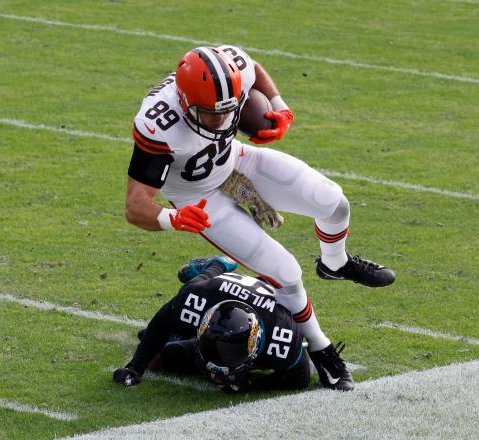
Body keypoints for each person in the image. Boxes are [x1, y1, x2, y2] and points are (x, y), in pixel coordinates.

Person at [125, 45, 395, 391]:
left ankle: (336, 264)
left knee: (333, 202)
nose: (221, 119)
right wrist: (172, 219)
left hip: (234, 161)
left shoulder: (232, 69)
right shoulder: (159, 124)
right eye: (210, 113)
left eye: (228, 109)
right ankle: (321, 347)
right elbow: (135, 206)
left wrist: (280, 107)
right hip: (197, 196)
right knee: (285, 273)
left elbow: (252, 65)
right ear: (185, 101)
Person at [113, 256, 351, 392]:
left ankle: (184, 335)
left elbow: (298, 379)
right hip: (216, 288)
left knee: (169, 351)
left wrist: (249, 384)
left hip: (266, 299)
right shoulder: (196, 299)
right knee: (159, 351)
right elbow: (161, 321)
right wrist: (135, 367)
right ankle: (217, 265)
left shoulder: (283, 335)